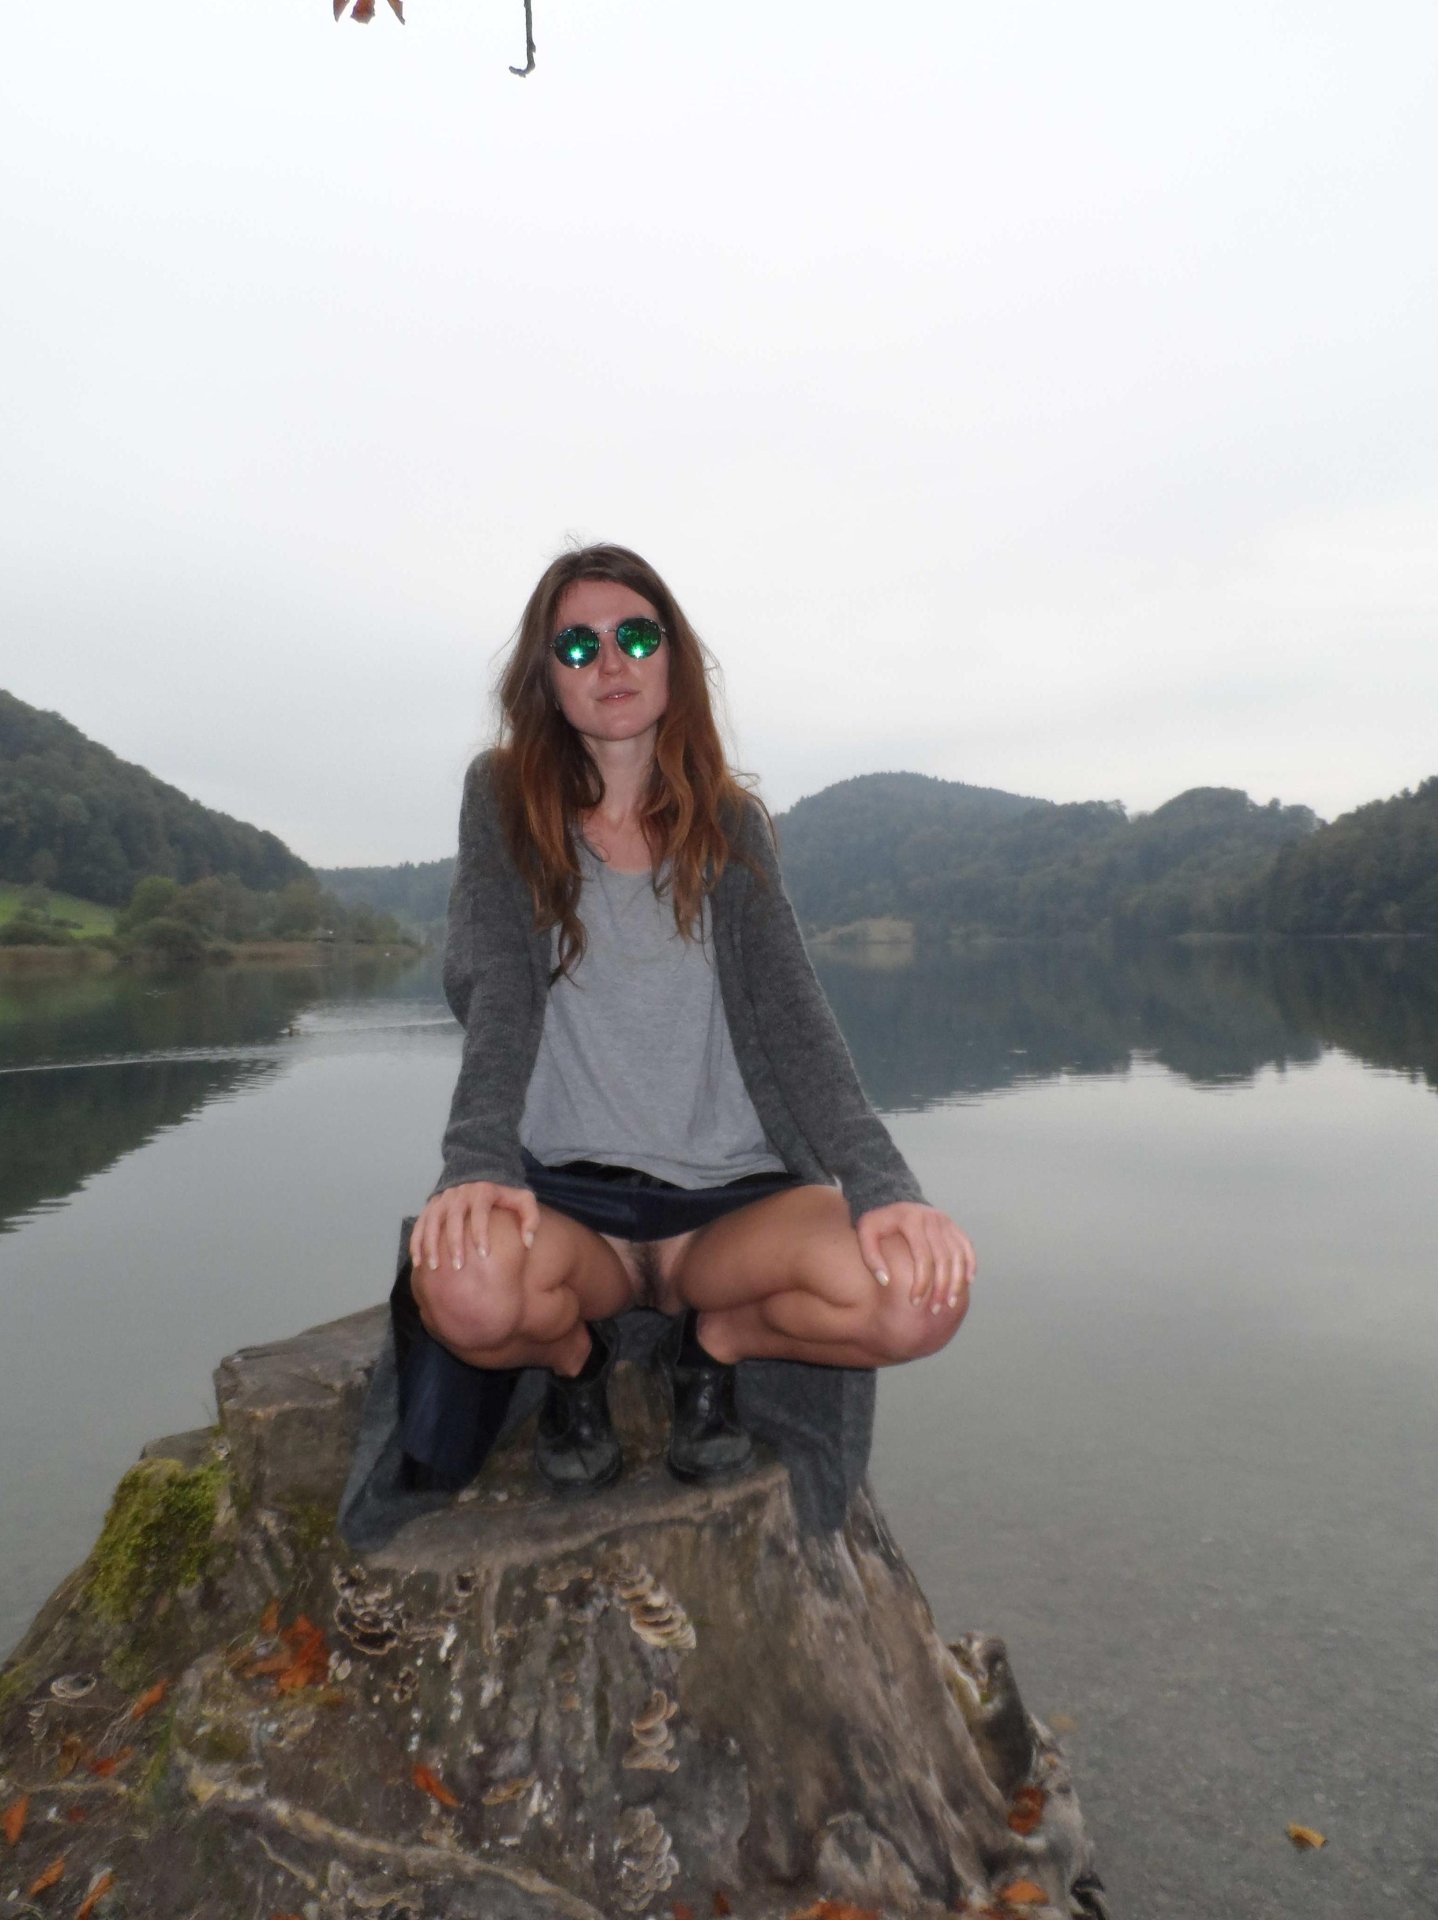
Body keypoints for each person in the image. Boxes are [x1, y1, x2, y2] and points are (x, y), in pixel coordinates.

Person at [390, 543, 975, 1506]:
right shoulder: (503, 800)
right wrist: (476, 1160)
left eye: (634, 635)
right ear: (546, 678)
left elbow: (793, 1013)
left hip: (729, 1210)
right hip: (572, 1204)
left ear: (673, 656)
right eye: (576, 645)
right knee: (462, 1287)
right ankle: (577, 1363)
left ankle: (714, 1344)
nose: (609, 661)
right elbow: (495, 985)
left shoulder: (730, 823)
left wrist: (883, 1184)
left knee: (918, 1298)